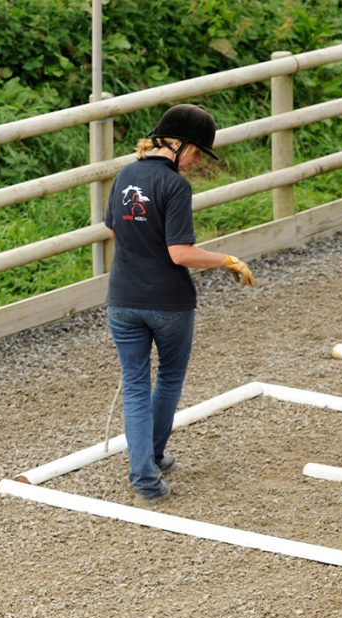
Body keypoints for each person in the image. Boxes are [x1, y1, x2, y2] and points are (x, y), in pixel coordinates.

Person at [103, 103, 256, 505]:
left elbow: (116, 235)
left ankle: (145, 473)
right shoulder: (174, 186)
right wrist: (228, 260)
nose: (195, 161)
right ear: (176, 144)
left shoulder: (124, 176)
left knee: (136, 387)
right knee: (168, 379)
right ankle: (148, 466)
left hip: (121, 301)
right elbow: (180, 254)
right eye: (195, 152)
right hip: (168, 304)